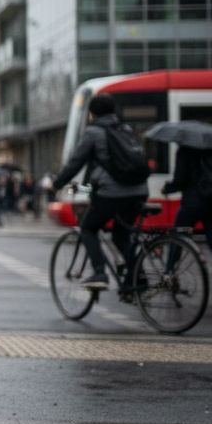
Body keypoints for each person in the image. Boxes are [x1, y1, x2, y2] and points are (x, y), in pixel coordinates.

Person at [51, 94, 149, 290]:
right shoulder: (126, 129)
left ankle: (99, 273)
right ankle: (137, 278)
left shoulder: (93, 132)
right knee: (121, 235)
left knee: (88, 228)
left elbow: (76, 162)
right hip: (140, 190)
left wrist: (58, 183)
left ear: (92, 113)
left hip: (112, 193)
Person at [163, 146, 212, 301]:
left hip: (193, 204)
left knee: (177, 239)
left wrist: (168, 188)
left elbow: (180, 180)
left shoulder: (185, 150)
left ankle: (168, 275)